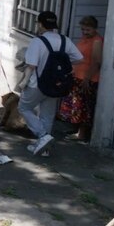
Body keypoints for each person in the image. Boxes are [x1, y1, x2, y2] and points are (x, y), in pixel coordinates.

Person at [17, 11, 84, 156]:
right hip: (56, 85)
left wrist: (22, 83)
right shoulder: (65, 40)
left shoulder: (37, 41)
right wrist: (62, 66)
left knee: (24, 107)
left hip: (37, 84)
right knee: (47, 115)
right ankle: (44, 150)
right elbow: (79, 58)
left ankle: (43, 136)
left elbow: (31, 65)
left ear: (40, 24)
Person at [59, 15, 103, 141]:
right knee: (76, 104)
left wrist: (87, 79)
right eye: (83, 29)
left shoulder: (97, 41)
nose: (85, 32)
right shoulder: (84, 39)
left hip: (88, 78)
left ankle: (82, 134)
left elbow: (96, 61)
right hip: (77, 75)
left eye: (88, 30)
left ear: (94, 29)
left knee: (84, 106)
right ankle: (75, 128)